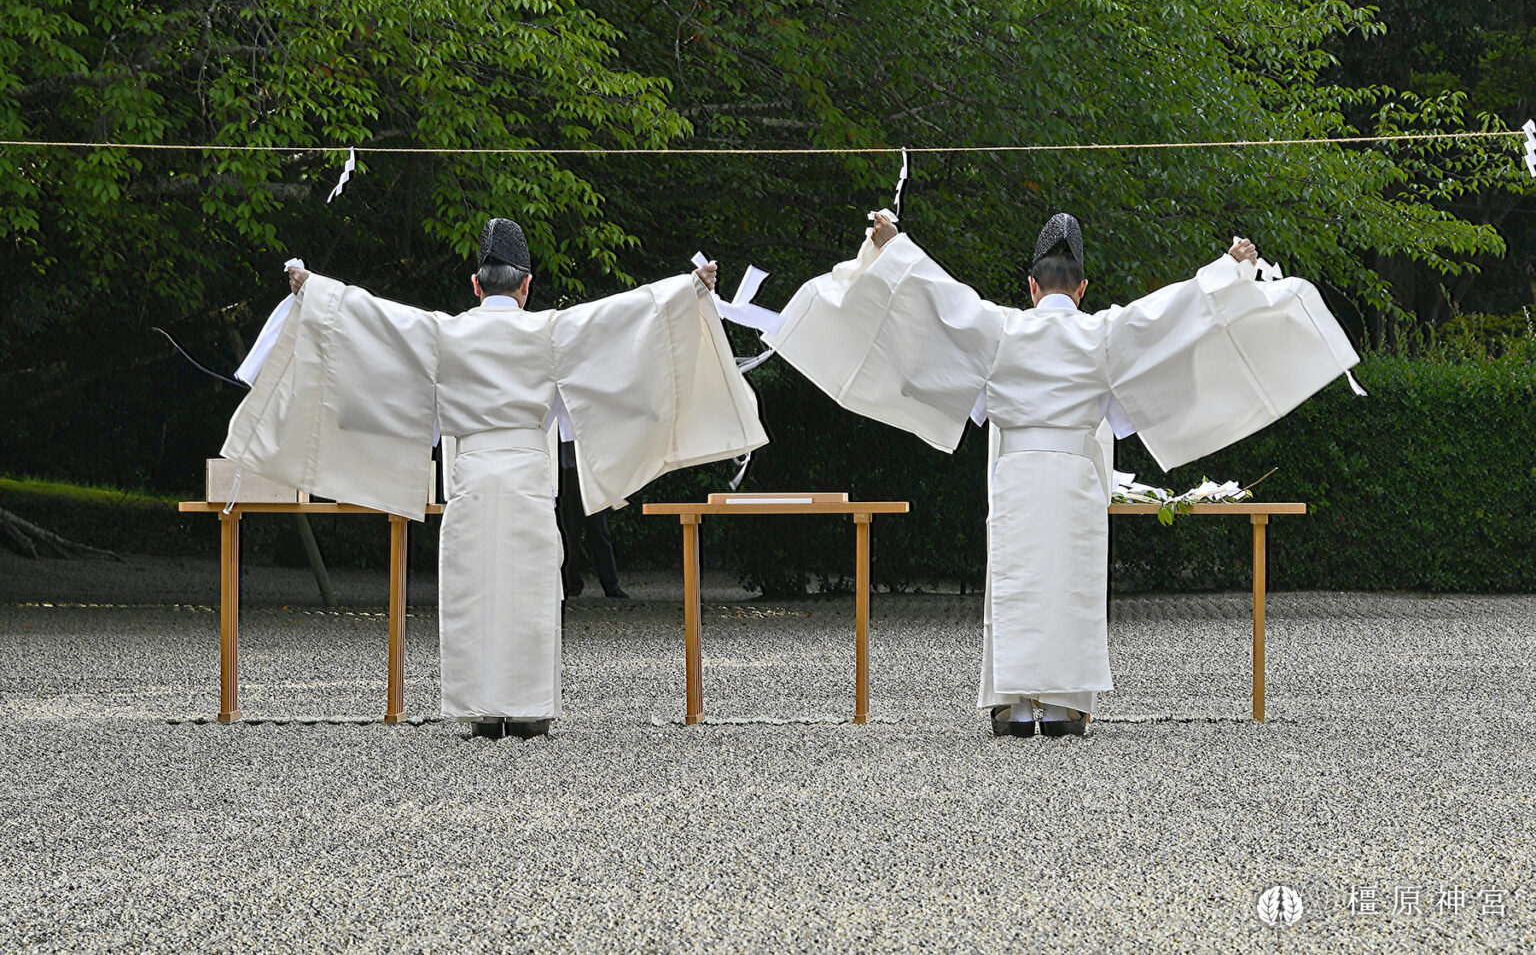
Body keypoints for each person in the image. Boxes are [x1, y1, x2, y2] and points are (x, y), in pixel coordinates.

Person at [761, 209, 1359, 737]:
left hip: (1017, 471)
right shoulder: (1101, 333)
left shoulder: (1000, 329)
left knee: (1017, 582)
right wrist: (1226, 272)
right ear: (1082, 288)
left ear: (1030, 286)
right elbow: (1175, 314)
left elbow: (934, 299)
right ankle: (1063, 707)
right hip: (1073, 474)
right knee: (1068, 588)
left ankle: (1014, 705)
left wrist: (894, 248)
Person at [223, 218, 767, 738]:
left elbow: (370, 318)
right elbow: (623, 317)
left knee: (474, 588)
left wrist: (312, 289)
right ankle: (529, 711)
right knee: (529, 590)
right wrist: (686, 290)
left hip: (474, 473)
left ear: (476, 285)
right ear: (527, 285)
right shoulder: (550, 332)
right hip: (528, 473)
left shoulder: (444, 334)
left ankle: (478, 710)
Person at [557, 439, 627, 599]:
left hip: (588, 471)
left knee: (598, 531)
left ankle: (610, 585)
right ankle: (571, 583)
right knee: (569, 533)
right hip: (565, 471)